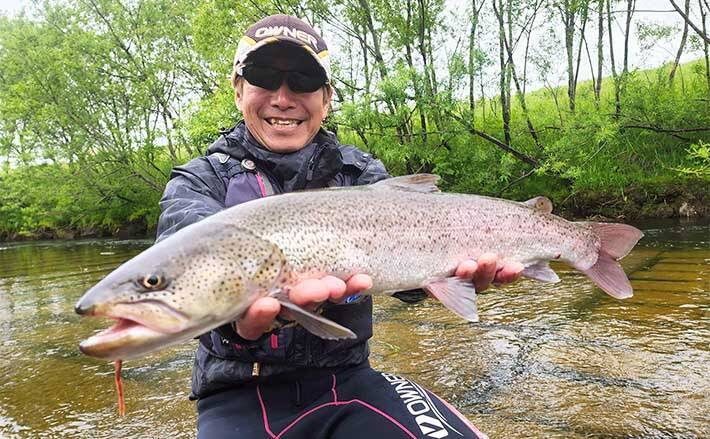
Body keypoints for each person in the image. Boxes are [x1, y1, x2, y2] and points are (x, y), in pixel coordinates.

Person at [156, 14, 522, 439]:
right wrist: (239, 323)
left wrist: (449, 274)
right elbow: (181, 274)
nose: (282, 97)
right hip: (238, 395)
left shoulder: (361, 173)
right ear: (239, 90)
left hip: (348, 381)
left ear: (326, 98)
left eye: (303, 80)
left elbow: (404, 281)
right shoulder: (199, 183)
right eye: (263, 76)